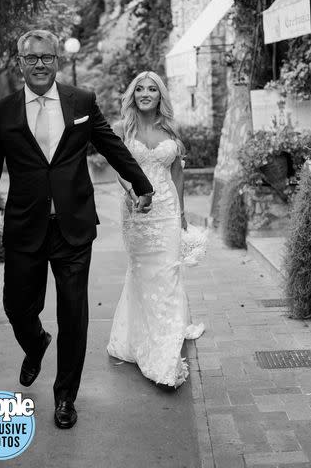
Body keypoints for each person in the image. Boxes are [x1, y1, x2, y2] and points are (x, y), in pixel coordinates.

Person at [0, 30, 154, 429]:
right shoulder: (3, 110)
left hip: (73, 226)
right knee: (18, 307)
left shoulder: (81, 101)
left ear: (55, 60)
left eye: (47, 57)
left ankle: (66, 397)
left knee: (73, 314)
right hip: (25, 226)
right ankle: (35, 344)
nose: (40, 64)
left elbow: (110, 145)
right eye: (31, 58)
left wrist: (141, 183)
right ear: (20, 62)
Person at [107, 71, 205, 389]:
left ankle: (164, 352)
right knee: (142, 274)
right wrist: (132, 193)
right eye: (140, 89)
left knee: (168, 274)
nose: (146, 93)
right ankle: (138, 337)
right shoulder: (125, 129)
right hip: (136, 213)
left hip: (165, 212)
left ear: (160, 96)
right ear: (133, 95)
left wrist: (181, 214)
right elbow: (119, 168)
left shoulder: (170, 130)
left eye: (152, 89)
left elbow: (177, 173)